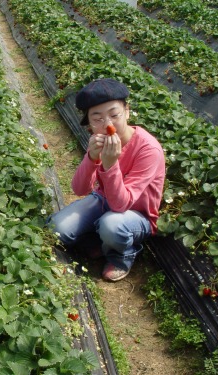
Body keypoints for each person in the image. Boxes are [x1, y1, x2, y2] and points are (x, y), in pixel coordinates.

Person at [48, 78, 165, 281]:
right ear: (89, 123)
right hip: (104, 200)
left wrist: (111, 164)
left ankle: (122, 255)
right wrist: (92, 157)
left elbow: (121, 205)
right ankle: (98, 240)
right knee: (57, 230)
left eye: (114, 114)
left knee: (112, 225)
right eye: (97, 118)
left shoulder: (148, 150)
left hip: (136, 214)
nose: (107, 124)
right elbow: (79, 188)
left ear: (127, 111)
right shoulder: (100, 141)